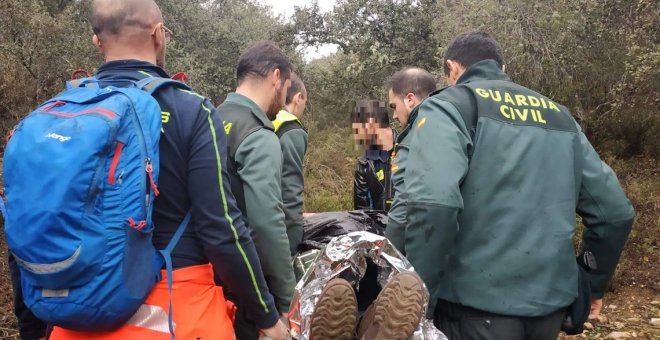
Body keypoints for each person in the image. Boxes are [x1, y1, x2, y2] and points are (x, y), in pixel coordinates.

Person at [17, 1, 288, 339]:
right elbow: (221, 229)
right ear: (159, 35)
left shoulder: (55, 114)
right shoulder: (192, 111)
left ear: (97, 42)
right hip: (175, 315)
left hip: (73, 318)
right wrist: (265, 315)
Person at [402, 31, 634, 339]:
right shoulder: (560, 116)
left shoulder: (448, 107)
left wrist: (418, 301)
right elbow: (614, 212)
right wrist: (591, 282)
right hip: (549, 311)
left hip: (471, 311)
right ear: (503, 66)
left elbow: (433, 206)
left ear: (453, 68)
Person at [216, 41, 296, 340]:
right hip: (245, 289)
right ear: (276, 77)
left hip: (203, 280)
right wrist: (286, 296)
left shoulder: (208, 118)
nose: (284, 97)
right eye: (286, 87)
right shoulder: (258, 135)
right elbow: (267, 224)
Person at [383, 67, 437, 252]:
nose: (395, 115)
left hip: (423, 246)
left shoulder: (412, 139)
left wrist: (386, 255)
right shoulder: (452, 124)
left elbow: (402, 209)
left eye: (394, 106)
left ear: (410, 99)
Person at [273, 73, 308, 256]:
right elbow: (290, 194)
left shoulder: (265, 118)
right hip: (276, 229)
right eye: (305, 102)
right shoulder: (291, 130)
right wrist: (293, 247)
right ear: (298, 98)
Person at [352, 100, 395, 211]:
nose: (356, 135)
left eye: (357, 129)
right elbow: (363, 212)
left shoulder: (407, 148)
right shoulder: (364, 164)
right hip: (379, 227)